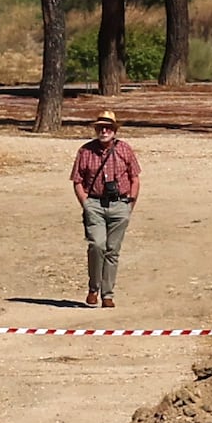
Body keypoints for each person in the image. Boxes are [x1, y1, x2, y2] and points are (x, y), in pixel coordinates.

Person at [71, 106, 141, 309]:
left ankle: (107, 295)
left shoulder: (125, 149)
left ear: (114, 130)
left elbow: (135, 178)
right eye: (100, 127)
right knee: (97, 245)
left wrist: (130, 204)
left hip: (121, 204)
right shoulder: (85, 151)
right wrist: (85, 204)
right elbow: (77, 180)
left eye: (108, 128)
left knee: (112, 251)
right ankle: (93, 288)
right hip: (94, 204)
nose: (104, 131)